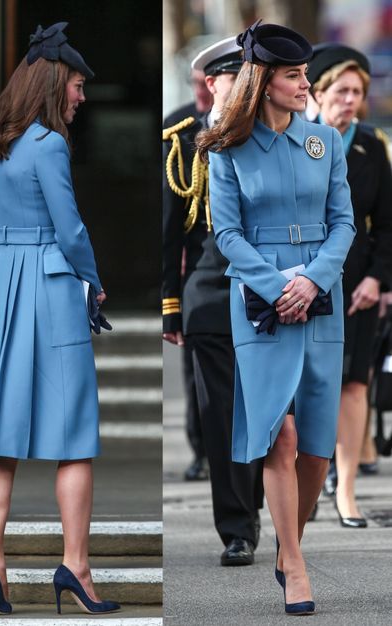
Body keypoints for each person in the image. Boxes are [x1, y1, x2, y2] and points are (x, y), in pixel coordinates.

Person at [0, 22, 119, 616]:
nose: (81, 96)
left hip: (5, 285)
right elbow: (70, 227)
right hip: (52, 288)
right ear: (55, 83)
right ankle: (75, 566)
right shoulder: (49, 144)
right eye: (77, 85)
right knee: (74, 437)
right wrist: (96, 282)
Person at [198, 20, 355, 614]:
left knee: (316, 448)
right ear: (264, 83)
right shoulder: (226, 149)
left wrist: (311, 278)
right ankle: (295, 565)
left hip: (320, 295)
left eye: (304, 75)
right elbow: (227, 234)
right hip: (259, 303)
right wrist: (276, 284)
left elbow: (344, 224)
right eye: (293, 75)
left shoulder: (325, 143)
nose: (304, 84)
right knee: (279, 436)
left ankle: (293, 545)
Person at [163, 37, 264, 566]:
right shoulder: (186, 139)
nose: (246, 87)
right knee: (221, 417)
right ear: (213, 84)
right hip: (211, 289)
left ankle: (260, 501)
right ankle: (238, 528)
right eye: (234, 78)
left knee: (271, 416)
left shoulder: (277, 134)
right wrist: (170, 303)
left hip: (272, 291)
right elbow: (171, 232)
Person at [307, 44, 392, 526]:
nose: (351, 100)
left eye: (358, 92)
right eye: (342, 90)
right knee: (309, 388)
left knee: (354, 384)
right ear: (318, 93)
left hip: (357, 282)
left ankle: (347, 493)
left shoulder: (370, 145)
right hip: (304, 282)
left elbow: (387, 224)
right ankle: (310, 483)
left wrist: (378, 279)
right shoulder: (298, 140)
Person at [164, 63, 213, 482]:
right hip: (195, 265)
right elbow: (170, 214)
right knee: (195, 372)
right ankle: (201, 450)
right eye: (195, 85)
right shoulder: (176, 128)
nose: (200, 94)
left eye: (207, 85)